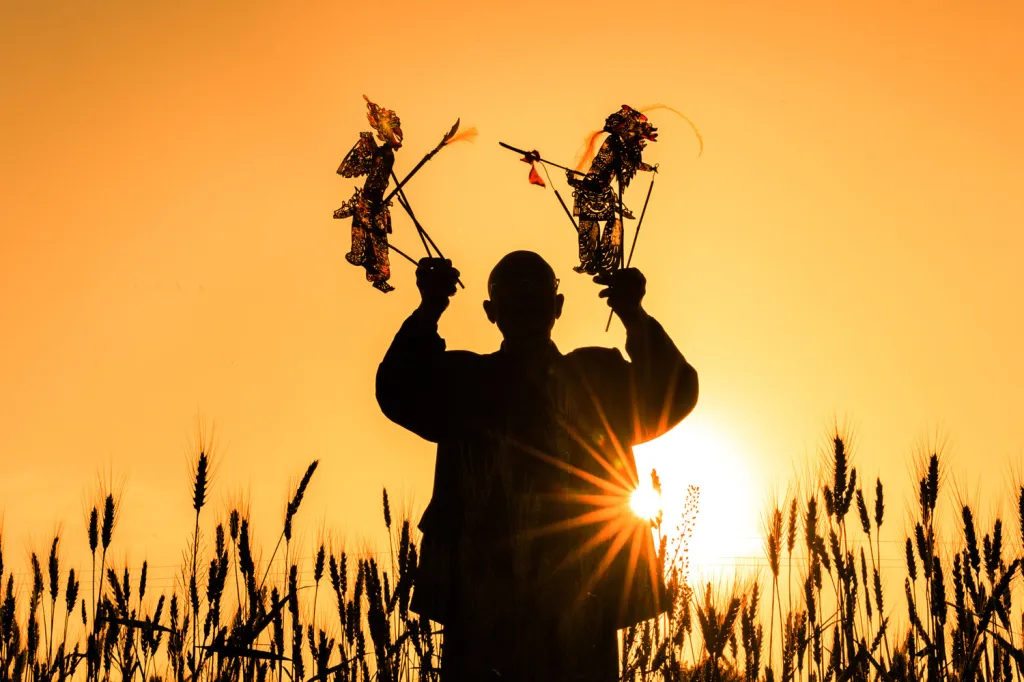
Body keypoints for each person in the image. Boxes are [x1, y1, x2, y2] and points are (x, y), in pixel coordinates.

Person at [375, 251, 699, 681]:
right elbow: (396, 389)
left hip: (574, 596)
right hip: (491, 596)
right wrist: (428, 309)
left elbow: (676, 390)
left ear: (555, 307)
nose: (526, 309)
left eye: (534, 299)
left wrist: (634, 315)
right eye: (516, 299)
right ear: (493, 312)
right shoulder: (470, 382)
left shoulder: (582, 379)